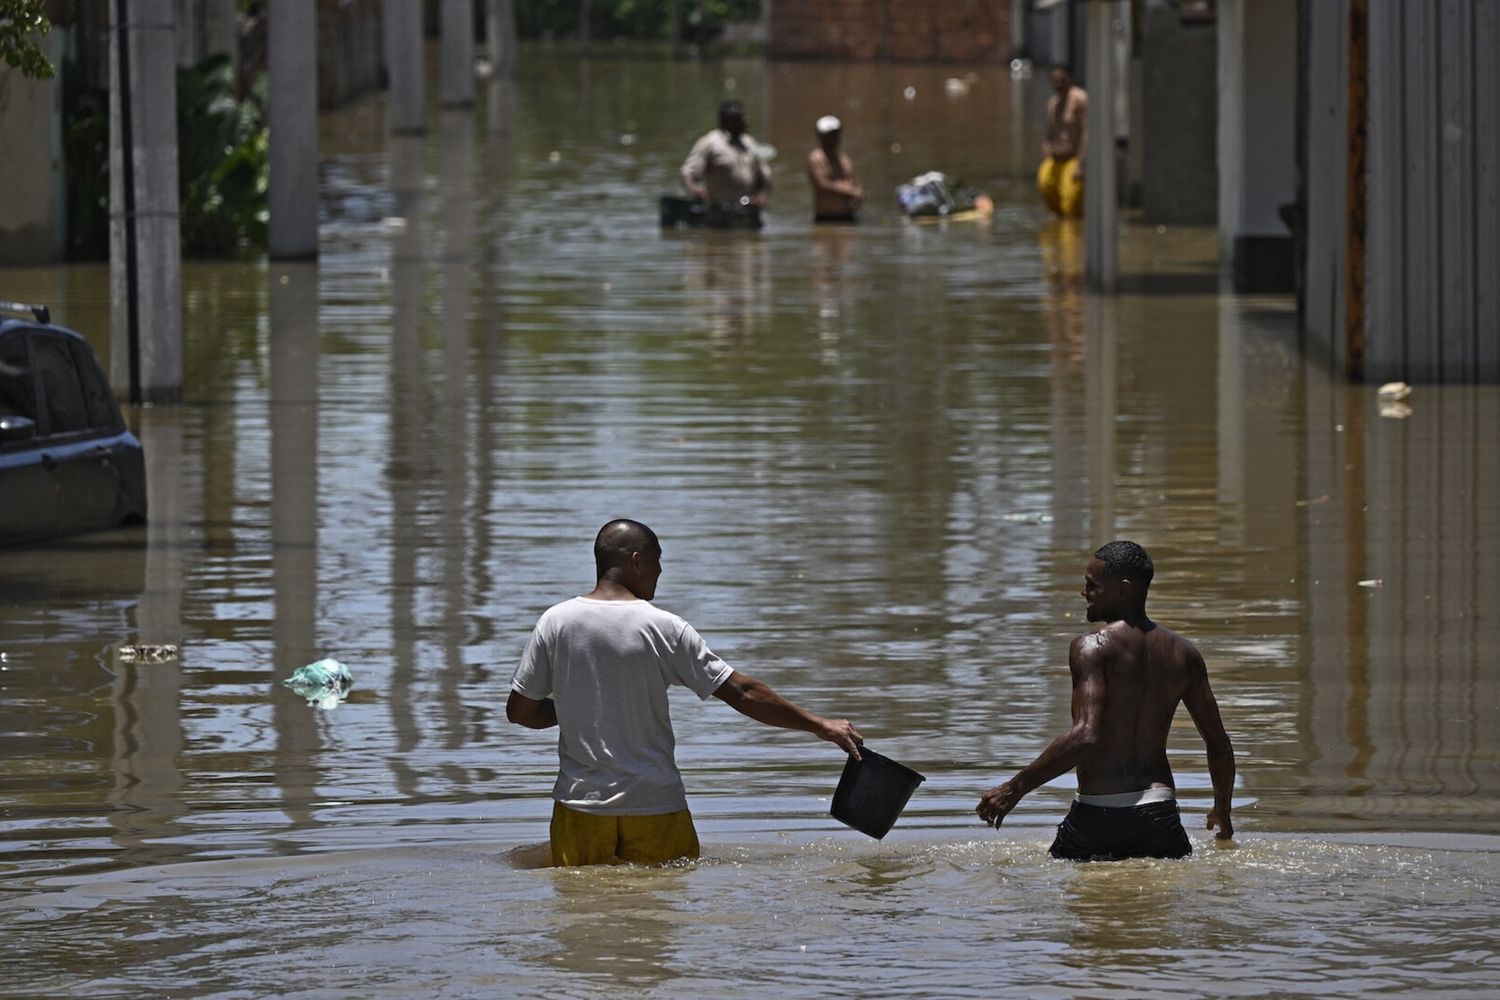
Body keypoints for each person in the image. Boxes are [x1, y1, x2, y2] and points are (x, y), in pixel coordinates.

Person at [508, 519, 863, 866]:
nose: (659, 573)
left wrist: (579, 703)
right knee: (660, 914)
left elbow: (521, 712)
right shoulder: (664, 627)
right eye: (657, 561)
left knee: (580, 916)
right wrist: (820, 725)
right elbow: (741, 692)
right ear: (636, 560)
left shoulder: (554, 622)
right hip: (655, 805)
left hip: (580, 808)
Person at [976, 541, 1235, 860]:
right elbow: (1218, 743)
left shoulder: (1091, 647)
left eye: (1091, 585)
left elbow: (1086, 735)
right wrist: (1223, 811)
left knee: (1084, 905)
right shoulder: (1184, 654)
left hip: (1098, 817)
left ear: (1124, 590)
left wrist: (1013, 789)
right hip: (1159, 815)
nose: (1083, 593)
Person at [679, 99, 772, 229]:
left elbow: (765, 178)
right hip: (719, 215)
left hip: (749, 215)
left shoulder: (750, 143)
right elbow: (687, 173)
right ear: (728, 122)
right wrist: (694, 189)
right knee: (721, 244)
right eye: (741, 119)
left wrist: (762, 196)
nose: (746, 121)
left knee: (752, 247)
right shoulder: (710, 143)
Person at [1037, 65, 1087, 218]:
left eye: (1061, 80)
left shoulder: (1079, 98)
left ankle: (1071, 237)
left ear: (1069, 78)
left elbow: (1087, 133)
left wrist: (1081, 163)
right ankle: (1055, 237)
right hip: (1055, 159)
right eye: (1054, 81)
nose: (1057, 85)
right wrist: (1046, 152)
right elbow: (1048, 134)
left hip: (1073, 160)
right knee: (1046, 190)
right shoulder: (1053, 104)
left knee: (1069, 205)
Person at [806, 115, 863, 223]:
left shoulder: (845, 160)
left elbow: (855, 184)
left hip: (848, 218)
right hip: (825, 219)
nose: (832, 138)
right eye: (829, 135)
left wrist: (859, 193)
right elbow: (822, 185)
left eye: (835, 134)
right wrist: (850, 192)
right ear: (820, 136)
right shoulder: (816, 158)